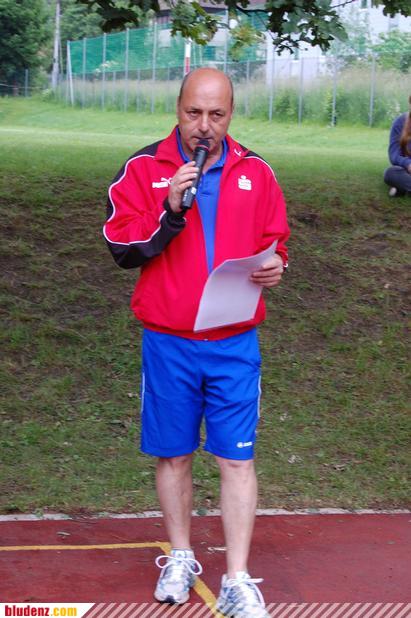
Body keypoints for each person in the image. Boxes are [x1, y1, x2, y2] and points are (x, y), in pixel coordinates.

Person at [103, 67, 289, 617]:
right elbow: (121, 247)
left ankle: (236, 579)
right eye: (194, 113)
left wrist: (277, 264)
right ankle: (181, 556)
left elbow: (275, 239)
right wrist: (168, 210)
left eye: (217, 114)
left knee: (237, 459)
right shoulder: (143, 168)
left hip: (234, 343)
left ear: (230, 115)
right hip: (169, 342)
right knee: (174, 454)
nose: (204, 126)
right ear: (177, 109)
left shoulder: (256, 171)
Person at [384, 95, 411, 197]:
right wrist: (408, 164)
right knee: (391, 173)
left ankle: (402, 189)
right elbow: (394, 155)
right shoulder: (400, 123)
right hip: (406, 170)